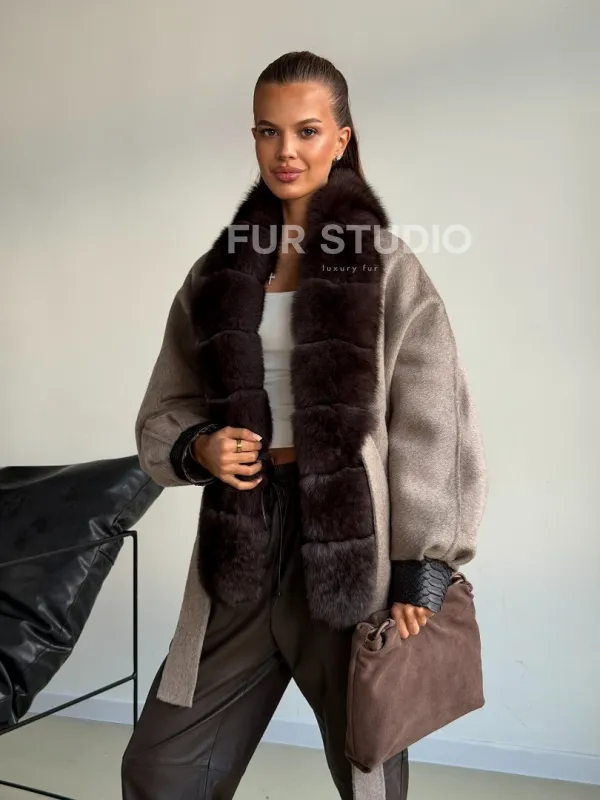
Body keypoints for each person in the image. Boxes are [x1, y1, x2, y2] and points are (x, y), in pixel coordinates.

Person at [121, 50, 487, 800]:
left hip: (355, 550)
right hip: (243, 537)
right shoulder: (216, 275)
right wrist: (199, 447)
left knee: (367, 767)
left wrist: (423, 566)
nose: (285, 150)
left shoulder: (387, 268)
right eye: (268, 131)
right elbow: (165, 407)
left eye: (307, 130)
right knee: (162, 767)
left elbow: (434, 423)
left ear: (341, 139)